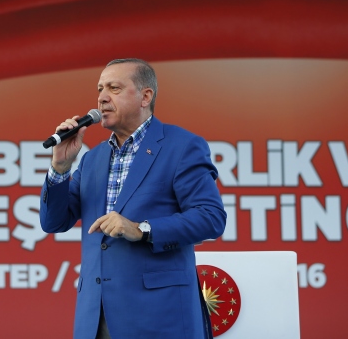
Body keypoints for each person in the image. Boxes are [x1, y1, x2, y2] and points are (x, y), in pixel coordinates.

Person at [40, 58, 226, 338]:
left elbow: (211, 218)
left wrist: (141, 229)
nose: (102, 98)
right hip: (97, 320)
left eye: (114, 88)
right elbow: (53, 222)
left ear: (145, 96)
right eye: (100, 89)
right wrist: (60, 167)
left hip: (160, 318)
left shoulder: (181, 146)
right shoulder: (92, 159)